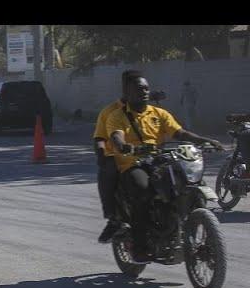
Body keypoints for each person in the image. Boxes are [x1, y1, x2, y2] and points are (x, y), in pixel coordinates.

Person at [106, 72, 223, 264]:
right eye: (139, 89)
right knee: (143, 191)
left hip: (158, 160)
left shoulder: (158, 113)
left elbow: (180, 133)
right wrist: (124, 146)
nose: (144, 92)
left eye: (146, 88)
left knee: (186, 182)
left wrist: (206, 140)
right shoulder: (117, 116)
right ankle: (139, 247)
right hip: (132, 163)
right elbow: (117, 136)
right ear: (127, 93)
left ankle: (182, 228)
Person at [94, 70, 140, 243]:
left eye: (143, 88)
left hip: (148, 157)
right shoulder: (110, 112)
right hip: (120, 158)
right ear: (125, 89)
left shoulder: (152, 110)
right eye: (134, 87)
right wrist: (102, 157)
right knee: (108, 169)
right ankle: (113, 218)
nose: (141, 92)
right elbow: (99, 138)